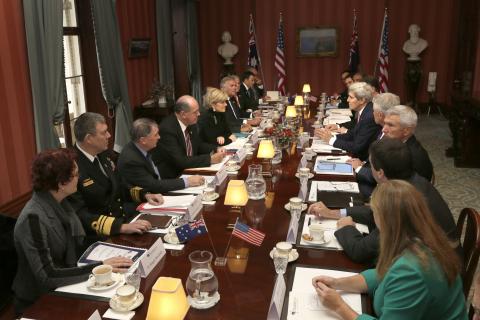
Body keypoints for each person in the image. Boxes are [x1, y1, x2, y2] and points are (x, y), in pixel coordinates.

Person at [312, 180, 467, 320]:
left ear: (387, 222)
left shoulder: (411, 271)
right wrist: (337, 283)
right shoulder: (422, 238)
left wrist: (339, 306)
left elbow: (398, 275)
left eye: (375, 213)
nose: (373, 218)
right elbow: (383, 274)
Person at [12, 149, 133, 313]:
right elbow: (47, 276)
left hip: (65, 286)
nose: (80, 177)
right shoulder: (33, 218)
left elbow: (77, 242)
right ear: (62, 183)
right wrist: (99, 267)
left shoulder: (60, 201)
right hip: (39, 302)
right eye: (76, 174)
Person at [308, 138, 460, 264]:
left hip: (436, 270)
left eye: (370, 165)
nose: (367, 167)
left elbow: (360, 251)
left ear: (380, 173)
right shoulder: (409, 181)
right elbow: (373, 212)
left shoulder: (400, 201)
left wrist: (346, 227)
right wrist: (334, 213)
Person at [69, 112, 159, 236]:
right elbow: (80, 214)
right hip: (100, 234)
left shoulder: (103, 154)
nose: (109, 135)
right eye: (104, 132)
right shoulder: (72, 167)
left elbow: (120, 185)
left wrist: (145, 195)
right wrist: (120, 227)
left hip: (123, 220)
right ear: (89, 139)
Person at [118, 118, 205, 192]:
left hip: (163, 184)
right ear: (143, 140)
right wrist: (187, 182)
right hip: (145, 200)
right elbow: (153, 185)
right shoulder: (131, 160)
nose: (159, 137)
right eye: (155, 135)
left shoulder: (145, 146)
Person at [151, 95, 225, 178]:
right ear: (183, 114)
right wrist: (210, 159)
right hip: (175, 175)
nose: (199, 114)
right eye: (195, 112)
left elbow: (198, 145)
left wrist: (216, 148)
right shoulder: (167, 129)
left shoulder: (190, 122)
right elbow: (180, 161)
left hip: (191, 169)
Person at [347, 93, 400, 196]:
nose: (371, 113)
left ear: (380, 114)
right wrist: (363, 163)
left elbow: (383, 176)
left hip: (379, 191)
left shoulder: (391, 138)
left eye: (373, 111)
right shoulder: (384, 130)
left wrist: (359, 169)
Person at [315, 82, 381, 161]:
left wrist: (331, 140)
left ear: (362, 100)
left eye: (351, 97)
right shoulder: (366, 111)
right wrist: (331, 137)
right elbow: (353, 134)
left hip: (363, 160)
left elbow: (356, 147)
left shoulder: (369, 117)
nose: (347, 100)